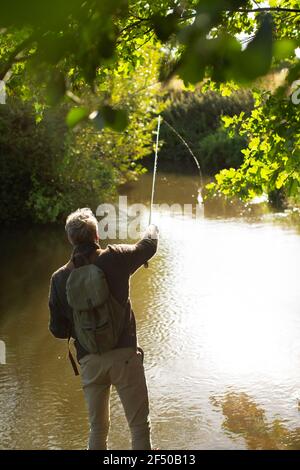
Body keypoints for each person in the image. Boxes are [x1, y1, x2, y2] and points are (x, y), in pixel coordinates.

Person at [48, 207, 159, 450]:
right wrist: (151, 230)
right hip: (125, 359)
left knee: (97, 429)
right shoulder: (116, 256)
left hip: (90, 362)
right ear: (96, 236)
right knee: (139, 427)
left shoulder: (59, 279)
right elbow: (148, 246)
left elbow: (57, 329)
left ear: (70, 239)